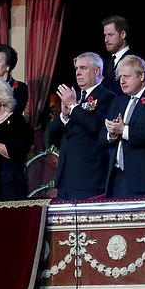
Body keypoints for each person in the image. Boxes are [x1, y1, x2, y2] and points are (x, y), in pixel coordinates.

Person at [100, 55, 145, 198]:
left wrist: (124, 130)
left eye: (127, 76)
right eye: (120, 77)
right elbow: (101, 136)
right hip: (117, 179)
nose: (122, 81)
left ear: (141, 76)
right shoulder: (118, 102)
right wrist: (112, 134)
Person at [49, 52, 115, 200]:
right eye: (77, 68)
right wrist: (64, 116)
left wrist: (73, 106)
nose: (78, 72)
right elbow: (51, 135)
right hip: (66, 177)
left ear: (97, 71)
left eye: (83, 68)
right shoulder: (74, 96)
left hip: (89, 178)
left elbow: (97, 128)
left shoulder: (107, 97)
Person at [100, 15, 139, 96]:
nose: (106, 40)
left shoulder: (135, 61)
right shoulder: (104, 63)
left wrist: (100, 79)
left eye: (110, 35)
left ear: (123, 34)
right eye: (105, 35)